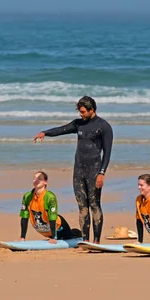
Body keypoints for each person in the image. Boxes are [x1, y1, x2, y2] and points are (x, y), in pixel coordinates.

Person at [33, 96, 113, 243]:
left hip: (94, 171)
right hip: (78, 172)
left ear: (92, 110)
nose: (80, 114)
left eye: (83, 111)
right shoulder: (78, 124)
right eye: (79, 111)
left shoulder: (104, 126)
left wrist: (102, 173)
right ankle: (85, 240)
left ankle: (96, 241)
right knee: (82, 208)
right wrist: (45, 132)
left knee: (94, 205)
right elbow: (62, 129)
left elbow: (107, 153)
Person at [19, 171, 82, 243]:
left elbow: (52, 217)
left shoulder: (50, 197)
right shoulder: (27, 197)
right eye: (34, 178)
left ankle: (81, 235)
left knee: (71, 236)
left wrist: (54, 237)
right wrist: (22, 237)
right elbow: (24, 217)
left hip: (59, 227)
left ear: (45, 182)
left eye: (39, 178)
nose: (36, 180)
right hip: (45, 231)